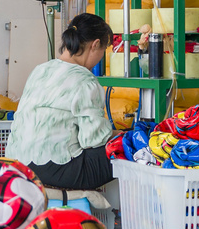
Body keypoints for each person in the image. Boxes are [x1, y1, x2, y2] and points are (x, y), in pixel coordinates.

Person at [7, 13, 117, 190]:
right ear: (95, 45)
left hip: (19, 164)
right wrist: (122, 135)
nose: (101, 57)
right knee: (126, 150)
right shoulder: (85, 80)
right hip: (56, 168)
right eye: (103, 51)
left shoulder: (40, 70)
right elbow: (94, 139)